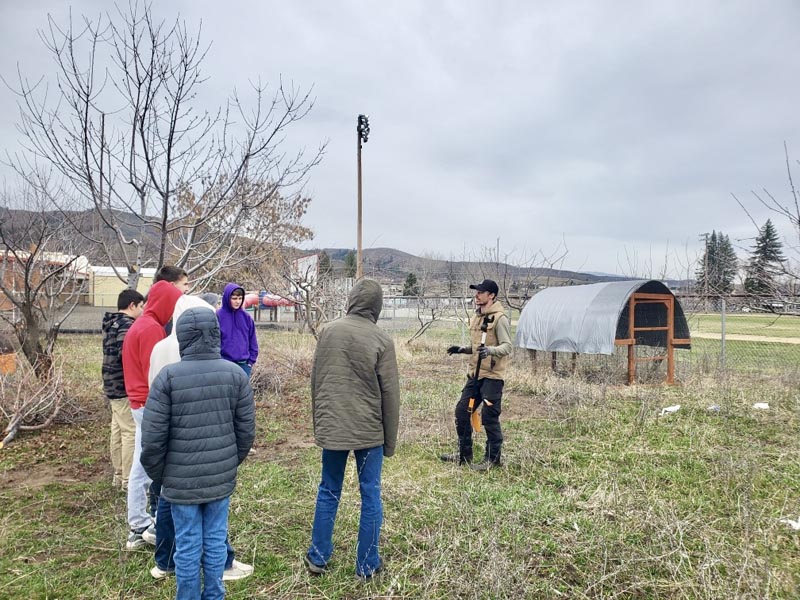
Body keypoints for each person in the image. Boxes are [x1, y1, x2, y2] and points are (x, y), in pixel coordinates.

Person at [140, 306, 255, 600]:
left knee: (188, 543)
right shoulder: (235, 374)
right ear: (216, 335)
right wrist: (228, 464)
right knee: (216, 539)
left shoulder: (167, 378)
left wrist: (162, 476)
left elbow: (152, 440)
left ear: (182, 337)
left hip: (179, 480)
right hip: (219, 476)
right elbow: (246, 433)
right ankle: (214, 595)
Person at [304, 279, 400, 580]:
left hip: (333, 427)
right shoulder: (382, 339)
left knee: (328, 489)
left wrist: (321, 424)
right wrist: (390, 442)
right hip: (369, 432)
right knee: (370, 494)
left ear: (352, 299)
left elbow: (316, 381)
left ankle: (318, 557)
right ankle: (367, 564)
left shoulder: (328, 331)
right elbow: (391, 396)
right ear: (377, 305)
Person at [121, 280, 183, 549]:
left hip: (138, 403)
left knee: (141, 464)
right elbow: (157, 374)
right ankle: (156, 524)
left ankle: (137, 523)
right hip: (149, 404)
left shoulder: (141, 325)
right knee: (156, 465)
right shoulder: (151, 330)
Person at [441, 279, 512, 471]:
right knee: (462, 412)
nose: (477, 295)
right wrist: (462, 349)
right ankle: (464, 454)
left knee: (489, 417)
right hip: (475, 374)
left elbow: (507, 346)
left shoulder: (500, 318)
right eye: (476, 291)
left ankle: (493, 459)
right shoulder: (477, 317)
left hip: (492, 376)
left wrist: (490, 350)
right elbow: (477, 347)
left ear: (492, 296)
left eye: (481, 292)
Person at [101, 289, 145, 491]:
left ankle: (118, 475)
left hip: (110, 383)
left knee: (117, 430)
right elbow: (125, 354)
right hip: (122, 385)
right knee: (130, 432)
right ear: (132, 306)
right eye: (141, 306)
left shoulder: (112, 323)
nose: (143, 310)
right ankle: (128, 480)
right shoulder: (128, 325)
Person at [217, 283, 258, 378]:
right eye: (234, 298)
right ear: (227, 298)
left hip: (243, 365)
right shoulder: (218, 316)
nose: (238, 301)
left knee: (242, 392)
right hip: (224, 365)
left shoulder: (246, 317)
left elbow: (252, 340)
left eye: (240, 298)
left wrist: (250, 362)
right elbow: (214, 342)